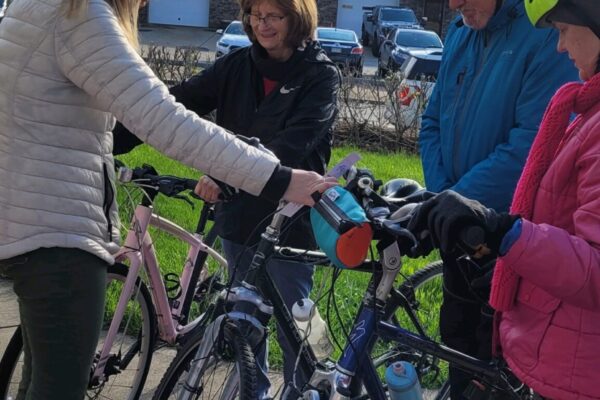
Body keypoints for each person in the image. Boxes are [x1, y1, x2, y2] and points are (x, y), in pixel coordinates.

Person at [0, 0, 336, 399]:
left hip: (288, 216)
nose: (262, 24)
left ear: (296, 19)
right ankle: (254, 392)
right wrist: (114, 145)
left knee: (297, 314)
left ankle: (316, 382)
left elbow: (297, 141)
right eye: (255, 15)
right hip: (240, 214)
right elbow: (171, 108)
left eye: (273, 16)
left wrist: (253, 177)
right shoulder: (237, 64)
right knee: (245, 316)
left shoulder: (319, 74)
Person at [408, 0, 600, 398]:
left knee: (490, 365)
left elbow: (528, 148)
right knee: (457, 344)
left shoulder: (541, 38)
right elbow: (431, 121)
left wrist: (486, 222)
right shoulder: (460, 33)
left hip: (508, 242)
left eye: (564, 31)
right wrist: (445, 202)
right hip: (477, 231)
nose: (453, 4)